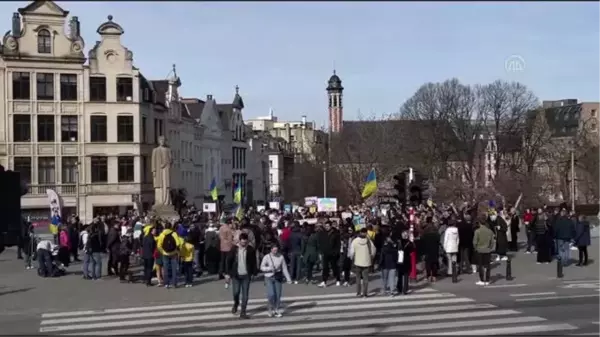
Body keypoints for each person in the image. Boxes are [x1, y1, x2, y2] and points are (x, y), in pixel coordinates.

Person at [225, 233, 257, 319]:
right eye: (243, 243)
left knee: (245, 295)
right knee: (236, 292)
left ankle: (243, 312)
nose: (244, 244)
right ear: (239, 241)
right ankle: (236, 303)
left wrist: (254, 273)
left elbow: (254, 262)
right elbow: (228, 261)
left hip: (246, 275)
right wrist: (227, 273)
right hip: (236, 274)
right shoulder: (234, 249)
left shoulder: (250, 249)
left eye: (245, 243)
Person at [260, 242, 292, 317]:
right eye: (274, 250)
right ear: (271, 250)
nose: (275, 252)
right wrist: (269, 268)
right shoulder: (266, 257)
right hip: (268, 277)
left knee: (278, 295)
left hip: (278, 277)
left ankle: (276, 309)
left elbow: (284, 268)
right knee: (271, 294)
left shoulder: (281, 257)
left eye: (276, 250)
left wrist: (288, 278)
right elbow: (261, 267)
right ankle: (270, 308)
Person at [350, 228, 376, 298]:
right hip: (366, 262)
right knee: (366, 279)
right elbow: (373, 250)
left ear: (360, 233)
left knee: (358, 278)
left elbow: (352, 251)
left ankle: (358, 293)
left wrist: (352, 258)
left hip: (357, 262)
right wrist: (371, 257)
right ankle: (365, 293)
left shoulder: (355, 241)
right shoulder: (369, 241)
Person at [156, 222, 183, 288]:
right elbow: (178, 243)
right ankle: (174, 283)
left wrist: (162, 251)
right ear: (171, 227)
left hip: (165, 253)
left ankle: (166, 283)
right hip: (173, 253)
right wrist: (176, 250)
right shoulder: (174, 233)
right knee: (174, 269)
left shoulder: (162, 234)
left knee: (166, 269)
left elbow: (159, 245)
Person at [473, 221, 495, 286]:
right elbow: (492, 242)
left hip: (479, 250)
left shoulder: (477, 231)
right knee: (487, 265)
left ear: (480, 223)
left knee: (480, 266)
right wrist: (490, 248)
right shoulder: (490, 231)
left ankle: (482, 280)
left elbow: (474, 242)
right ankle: (487, 280)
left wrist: (476, 248)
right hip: (487, 250)